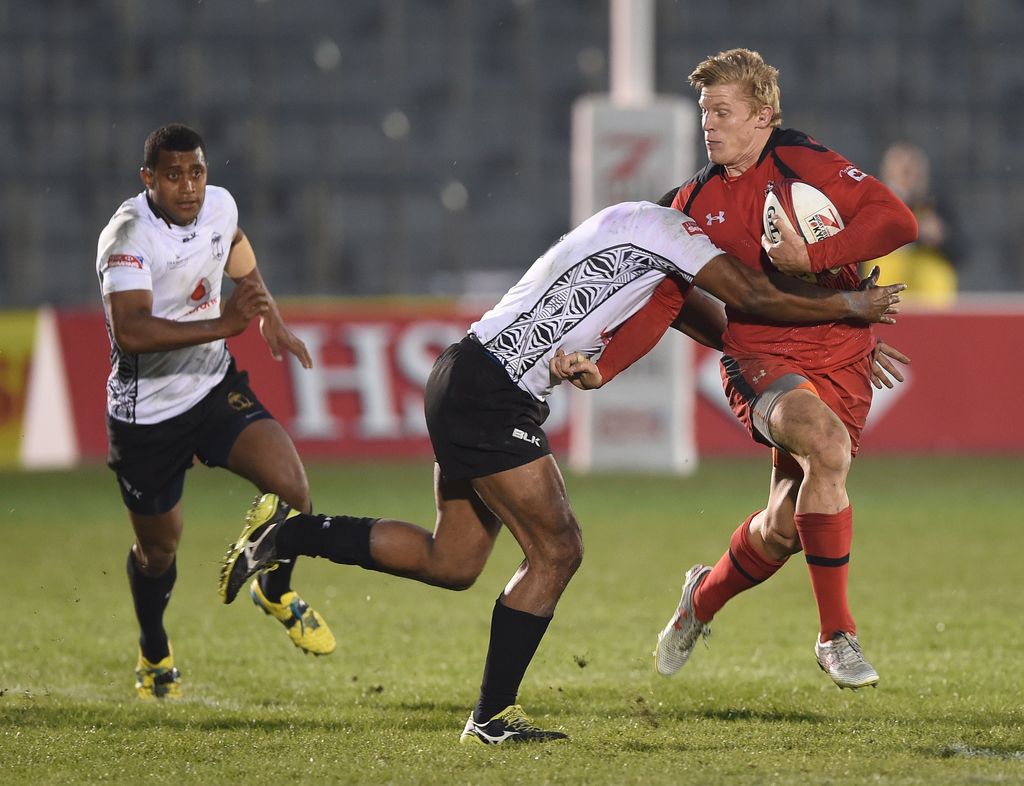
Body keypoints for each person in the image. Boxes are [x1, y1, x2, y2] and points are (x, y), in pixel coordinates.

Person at [216, 198, 904, 744]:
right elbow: (752, 297)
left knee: (452, 560)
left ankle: (288, 535)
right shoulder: (677, 233)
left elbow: (721, 321)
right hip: (492, 392)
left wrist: (819, 347)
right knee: (558, 548)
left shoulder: (641, 235)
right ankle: (490, 718)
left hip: (464, 374)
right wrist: (845, 311)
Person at [597, 48, 917, 690]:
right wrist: (604, 368)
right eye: (704, 113)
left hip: (844, 357)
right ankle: (837, 636)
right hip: (761, 360)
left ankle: (700, 600)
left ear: (764, 115)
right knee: (827, 450)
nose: (709, 125)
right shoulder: (690, 201)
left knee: (783, 525)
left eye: (723, 111)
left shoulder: (804, 162)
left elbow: (895, 220)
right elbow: (667, 295)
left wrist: (818, 261)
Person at [96, 124, 336, 700]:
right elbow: (129, 330)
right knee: (159, 552)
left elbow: (235, 248)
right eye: (173, 175)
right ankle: (154, 652)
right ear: (147, 179)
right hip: (146, 415)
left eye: (197, 173)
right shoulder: (127, 235)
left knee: (294, 490)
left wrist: (267, 312)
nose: (189, 187)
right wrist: (226, 324)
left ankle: (274, 590)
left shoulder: (220, 206)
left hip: (210, 387)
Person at [868, 141, 960, 305]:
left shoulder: (937, 206)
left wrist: (941, 238)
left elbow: (962, 251)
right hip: (880, 304)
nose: (907, 177)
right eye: (902, 171)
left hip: (932, 305)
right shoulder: (870, 207)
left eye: (912, 171)